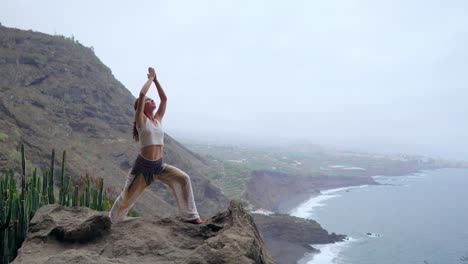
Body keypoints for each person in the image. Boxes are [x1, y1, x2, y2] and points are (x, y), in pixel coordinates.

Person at [109, 67, 203, 224]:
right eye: (148, 101)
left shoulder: (157, 118)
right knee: (126, 198)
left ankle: (192, 217)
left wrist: (157, 80)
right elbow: (141, 94)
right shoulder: (141, 121)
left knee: (183, 179)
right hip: (143, 169)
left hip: (159, 166)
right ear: (141, 107)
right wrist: (151, 78)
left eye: (152, 100)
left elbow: (164, 99)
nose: (152, 101)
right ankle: (110, 221)